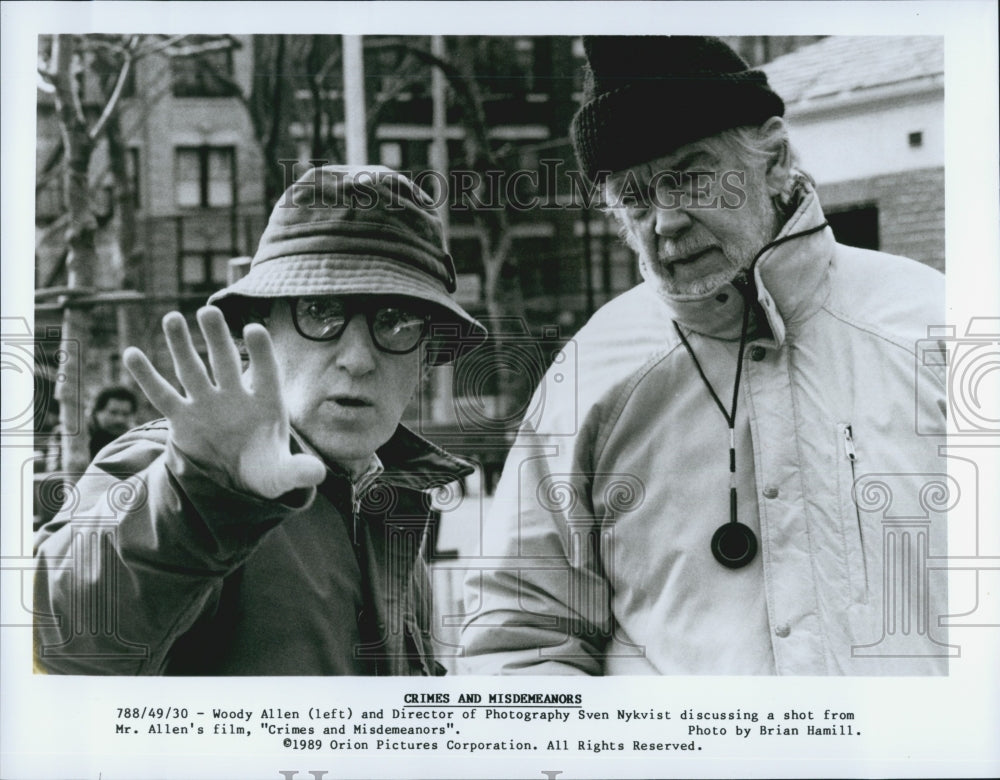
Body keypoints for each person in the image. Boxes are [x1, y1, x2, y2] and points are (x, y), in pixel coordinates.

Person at [459, 36, 948, 675]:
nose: (665, 222)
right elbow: (519, 643)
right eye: (634, 197)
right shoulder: (590, 377)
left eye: (688, 177)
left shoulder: (937, 325)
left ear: (772, 160)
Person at [34, 165, 486, 675]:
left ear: (425, 359)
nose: (358, 357)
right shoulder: (177, 469)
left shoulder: (388, 503)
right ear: (260, 332)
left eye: (396, 322)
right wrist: (198, 500)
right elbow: (53, 644)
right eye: (320, 311)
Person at [87, 384, 138, 459]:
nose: (120, 420)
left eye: (125, 414)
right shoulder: (83, 437)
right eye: (113, 413)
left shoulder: (135, 441)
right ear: (97, 412)